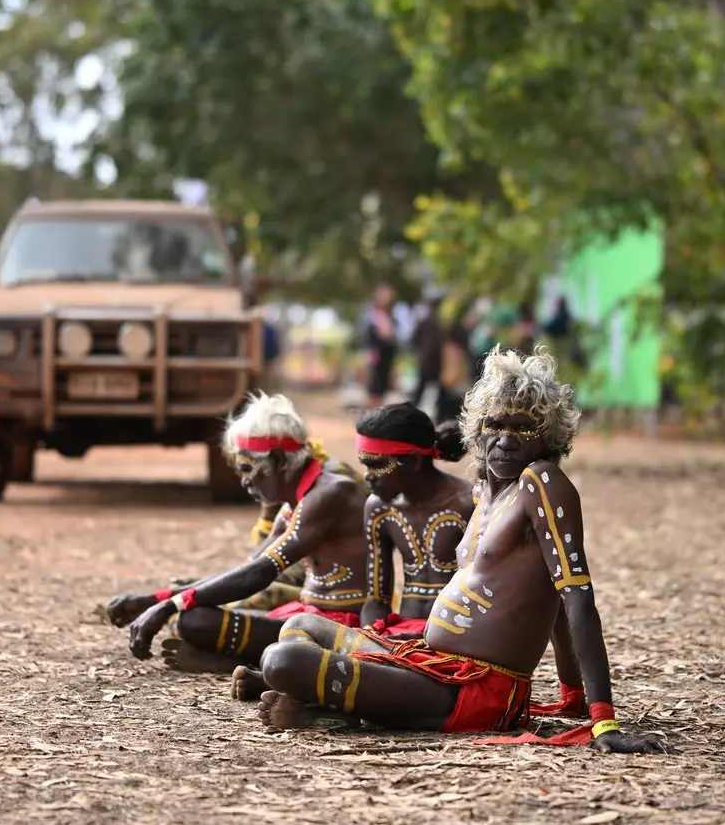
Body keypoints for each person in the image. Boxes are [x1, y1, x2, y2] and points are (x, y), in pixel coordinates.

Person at [248, 347, 665, 753]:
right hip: (430, 661)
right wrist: (569, 692)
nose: (505, 440)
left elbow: (575, 596)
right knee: (301, 627)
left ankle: (325, 709)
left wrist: (601, 717)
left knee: (282, 662)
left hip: (478, 689)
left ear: (549, 436)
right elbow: (549, 602)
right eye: (496, 425)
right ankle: (330, 708)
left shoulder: (541, 483)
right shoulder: (487, 492)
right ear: (478, 428)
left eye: (524, 428)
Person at [105, 393, 371, 670]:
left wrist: (168, 606)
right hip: (309, 615)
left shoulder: (330, 493)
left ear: (279, 460)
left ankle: (238, 660)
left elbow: (258, 575)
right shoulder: (294, 505)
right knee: (191, 616)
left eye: (247, 467)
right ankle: (238, 657)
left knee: (194, 620)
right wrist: (156, 599)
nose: (244, 481)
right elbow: (244, 571)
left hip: (341, 626)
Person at [230, 402, 474, 701]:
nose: (367, 476)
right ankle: (301, 683)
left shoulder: (468, 503)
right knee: (294, 632)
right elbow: (377, 598)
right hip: (393, 639)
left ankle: (301, 692)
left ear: (412, 462)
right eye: (364, 463)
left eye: (376, 464)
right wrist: (369, 635)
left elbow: (479, 595)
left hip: (448, 641)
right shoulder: (379, 507)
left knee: (307, 661)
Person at [363, 284, 398, 409]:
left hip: (386, 354)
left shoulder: (390, 315)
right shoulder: (373, 314)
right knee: (375, 386)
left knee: (382, 386)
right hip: (377, 354)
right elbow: (378, 335)